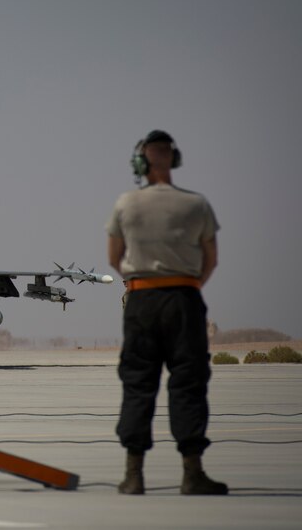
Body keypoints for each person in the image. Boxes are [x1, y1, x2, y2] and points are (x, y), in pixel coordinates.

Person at [106, 130, 227, 495]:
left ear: (140, 163)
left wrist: (142, 284)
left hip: (141, 299)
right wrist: (186, 286)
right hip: (184, 298)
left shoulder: (126, 203)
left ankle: (133, 475)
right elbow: (211, 259)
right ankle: (192, 474)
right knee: (188, 383)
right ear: (174, 160)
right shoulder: (197, 205)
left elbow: (114, 257)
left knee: (138, 384)